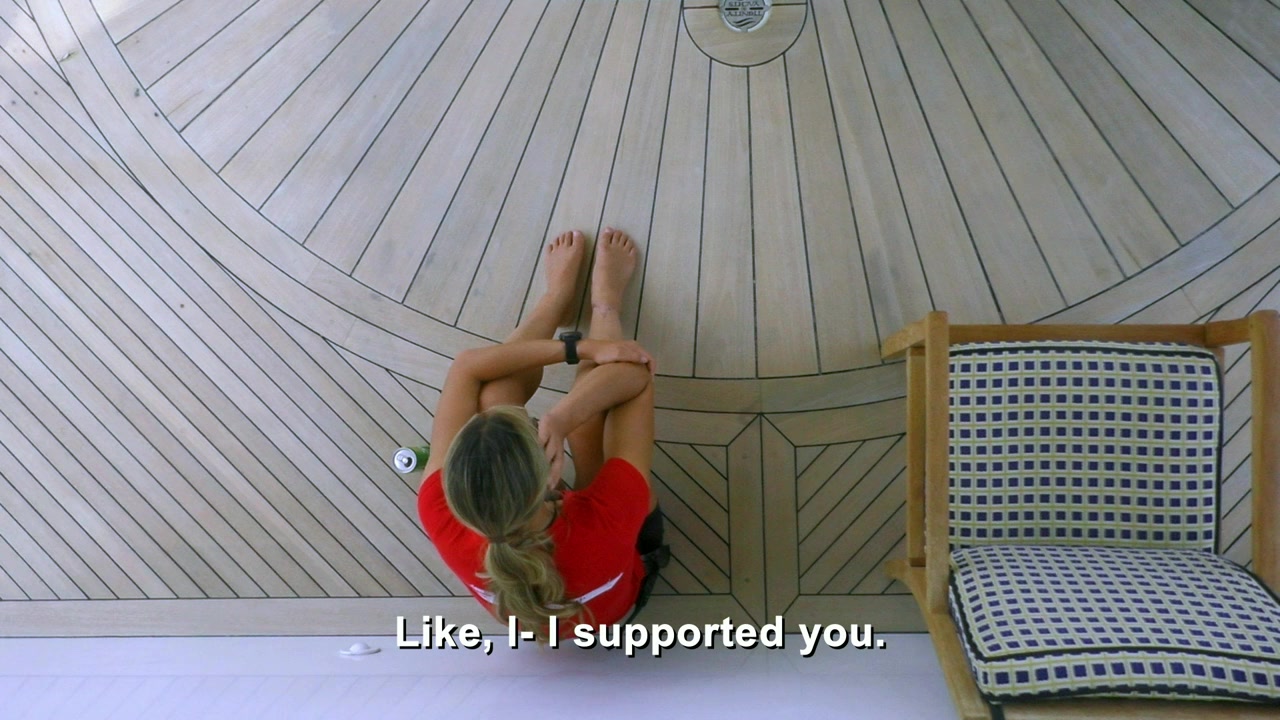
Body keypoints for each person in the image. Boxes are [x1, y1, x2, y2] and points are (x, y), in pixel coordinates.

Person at [417, 227, 667, 641]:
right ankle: (606, 306)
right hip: (615, 575)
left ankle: (554, 303)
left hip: (554, 562)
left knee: (495, 394)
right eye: (535, 431)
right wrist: (564, 417)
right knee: (588, 427)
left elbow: (468, 368)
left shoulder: (439, 509)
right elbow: (635, 372)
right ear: (553, 478)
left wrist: (577, 348)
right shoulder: (602, 525)